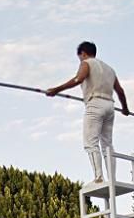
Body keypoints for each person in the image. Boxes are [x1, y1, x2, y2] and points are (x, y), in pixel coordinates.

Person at [47, 41, 129, 184]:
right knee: (107, 144)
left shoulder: (86, 63)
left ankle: (98, 177)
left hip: (95, 103)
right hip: (110, 106)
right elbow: (120, 91)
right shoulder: (110, 69)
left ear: (83, 53)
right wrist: (125, 108)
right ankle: (112, 179)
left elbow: (79, 79)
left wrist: (56, 89)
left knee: (90, 142)